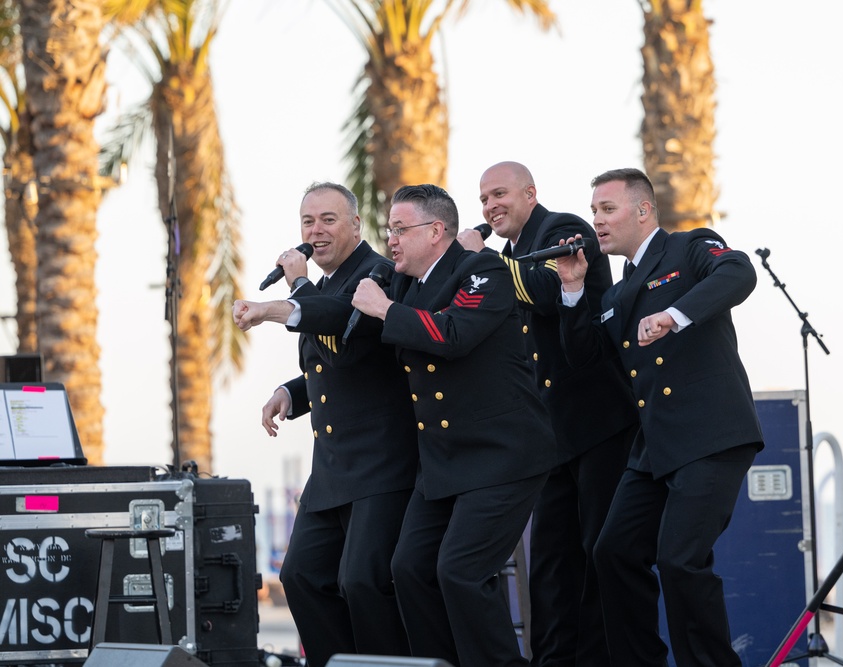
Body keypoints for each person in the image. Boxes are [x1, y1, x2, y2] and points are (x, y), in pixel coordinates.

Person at [554, 168, 764, 667]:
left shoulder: (690, 247)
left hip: (709, 435)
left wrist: (675, 315)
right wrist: (571, 288)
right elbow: (583, 356)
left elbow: (739, 273)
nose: (596, 222)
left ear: (643, 210)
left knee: (680, 560)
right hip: (653, 449)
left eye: (608, 209)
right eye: (594, 212)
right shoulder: (618, 293)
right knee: (614, 552)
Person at [351, 183, 557, 667]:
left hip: (502, 455)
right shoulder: (406, 284)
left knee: (461, 572)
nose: (392, 240)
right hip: (444, 461)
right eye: (389, 230)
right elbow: (346, 312)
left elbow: (455, 334)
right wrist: (284, 308)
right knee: (410, 568)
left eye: (401, 229)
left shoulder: (481, 271)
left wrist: (384, 310)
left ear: (437, 230)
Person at [457, 161, 639, 666]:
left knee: (599, 554)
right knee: (553, 566)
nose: (490, 207)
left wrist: (482, 261)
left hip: (598, 423)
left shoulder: (564, 229)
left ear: (529, 194)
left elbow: (543, 290)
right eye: (483, 199)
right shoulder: (507, 254)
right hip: (549, 434)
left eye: (499, 194)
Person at [232, 182, 417, 665]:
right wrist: (289, 393)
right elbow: (326, 366)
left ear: (356, 225)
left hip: (381, 463)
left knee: (363, 581)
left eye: (328, 220)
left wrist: (295, 289)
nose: (315, 231)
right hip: (333, 469)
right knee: (300, 576)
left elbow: (350, 343)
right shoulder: (325, 285)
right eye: (308, 222)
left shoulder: (377, 273)